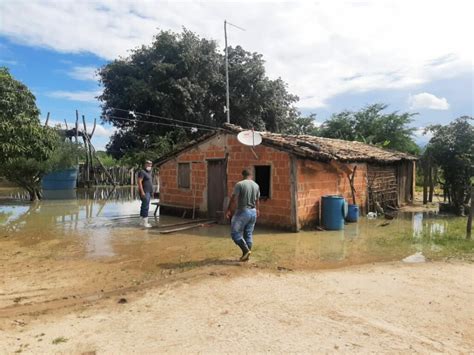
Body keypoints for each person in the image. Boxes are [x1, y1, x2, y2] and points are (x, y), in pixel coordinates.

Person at [225, 169, 260, 261]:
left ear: (242, 175)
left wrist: (229, 210)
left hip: (243, 211)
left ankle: (245, 251)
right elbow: (257, 200)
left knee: (235, 233)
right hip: (253, 211)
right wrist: (258, 210)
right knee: (248, 233)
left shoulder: (240, 184)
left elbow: (233, 198)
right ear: (251, 175)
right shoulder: (256, 185)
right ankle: (246, 256)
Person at [137, 160, 154, 228]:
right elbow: (139, 182)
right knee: (146, 207)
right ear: (145, 164)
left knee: (143, 206)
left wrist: (152, 192)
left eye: (150, 164)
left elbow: (149, 182)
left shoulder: (149, 172)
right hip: (145, 192)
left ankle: (141, 221)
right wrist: (142, 191)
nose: (149, 166)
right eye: (148, 164)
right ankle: (145, 223)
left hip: (149, 192)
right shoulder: (142, 172)